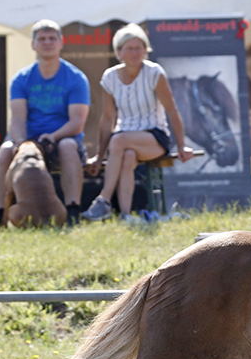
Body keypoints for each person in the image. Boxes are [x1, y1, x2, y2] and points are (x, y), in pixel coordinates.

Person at [82, 24, 193, 221]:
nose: (134, 52)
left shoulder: (154, 73)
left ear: (145, 50)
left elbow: (172, 111)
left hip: (155, 137)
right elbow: (107, 118)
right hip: (123, 139)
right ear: (119, 52)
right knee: (127, 155)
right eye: (129, 48)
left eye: (138, 48)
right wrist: (99, 156)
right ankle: (125, 215)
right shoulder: (110, 77)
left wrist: (182, 144)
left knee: (118, 141)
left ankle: (103, 200)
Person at [0, 20, 90, 225]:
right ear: (33, 44)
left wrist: (53, 137)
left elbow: (77, 123)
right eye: (42, 39)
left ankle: (72, 211)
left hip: (62, 138)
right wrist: (21, 143)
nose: (47, 42)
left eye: (52, 38)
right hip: (29, 139)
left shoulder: (76, 78)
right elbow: (17, 119)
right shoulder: (21, 78)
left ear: (61, 43)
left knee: (69, 146)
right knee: (5, 150)